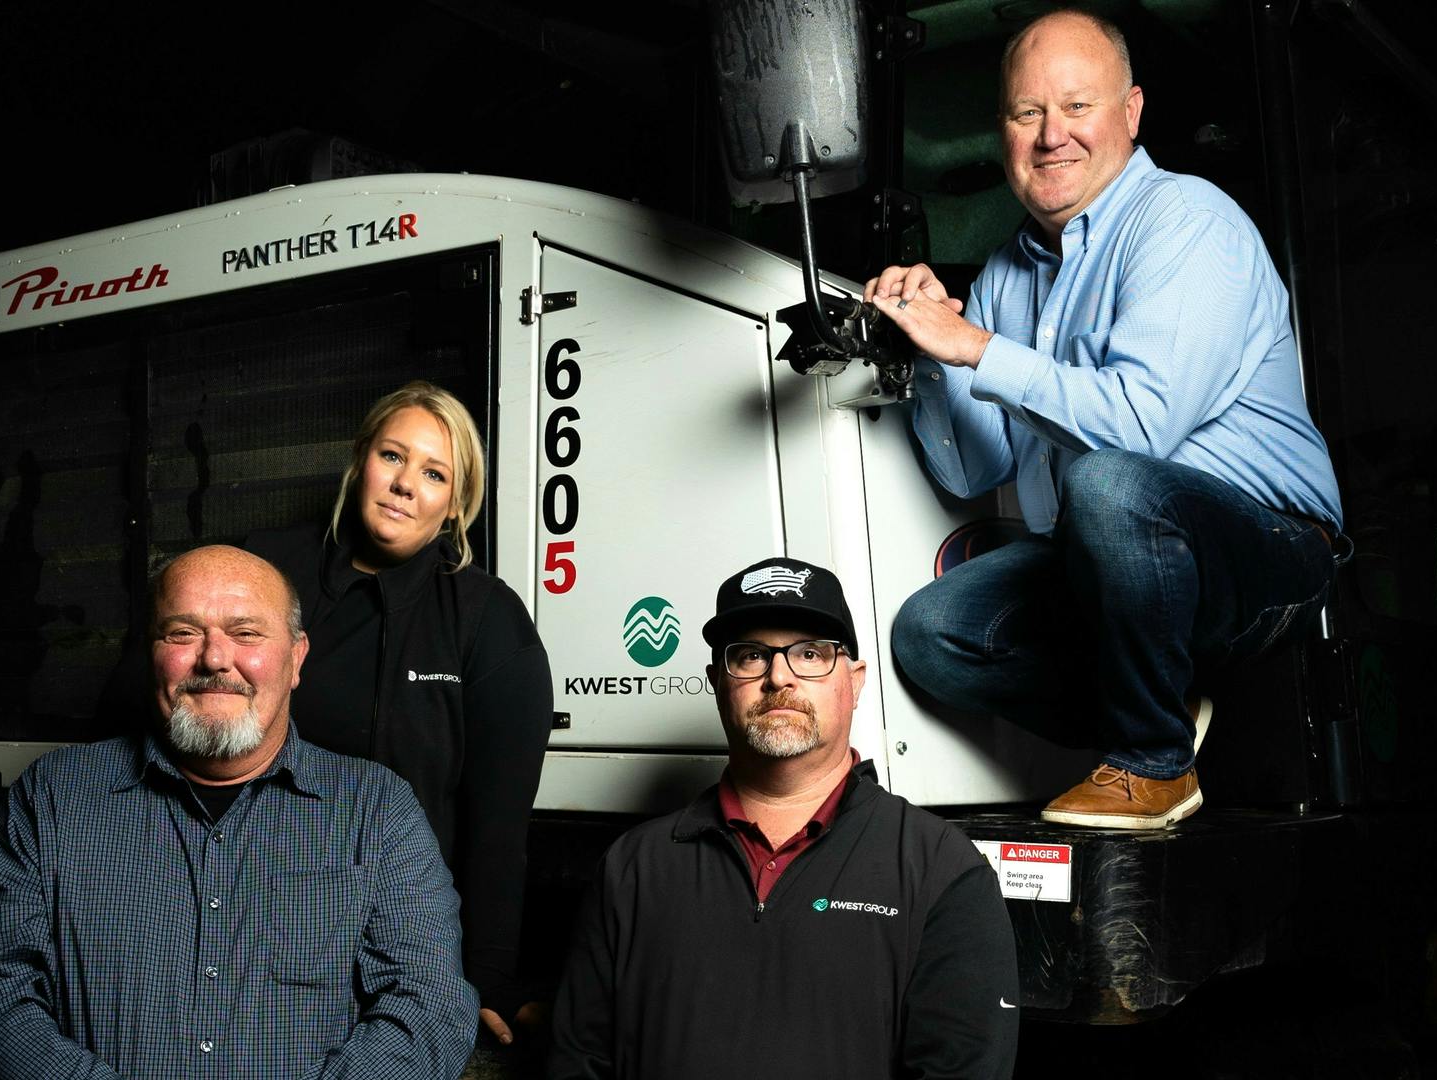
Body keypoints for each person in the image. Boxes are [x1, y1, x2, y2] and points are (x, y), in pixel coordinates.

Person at [865, 9, 1344, 829]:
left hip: (1267, 551)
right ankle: (1154, 706)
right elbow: (971, 471)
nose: (1052, 135)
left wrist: (976, 346)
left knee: (1110, 482)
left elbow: (1139, 428)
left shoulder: (1188, 221)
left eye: (1077, 107)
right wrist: (932, 350)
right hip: (1109, 566)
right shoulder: (1005, 275)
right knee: (933, 632)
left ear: (1130, 113)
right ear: (1005, 133)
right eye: (1027, 114)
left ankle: (1154, 765)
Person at [0, 545, 477, 1079]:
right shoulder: (53, 798)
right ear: (150, 654)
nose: (214, 658)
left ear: (296, 658)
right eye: (183, 632)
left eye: (246, 632)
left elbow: (430, 1006)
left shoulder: (378, 811)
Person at [549, 557, 1020, 1080]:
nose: (779, 677)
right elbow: (578, 1061)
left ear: (855, 681)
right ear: (716, 682)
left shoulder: (940, 870)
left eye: (811, 654)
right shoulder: (634, 867)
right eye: (751, 656)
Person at [248, 380, 553, 1045]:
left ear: (454, 506)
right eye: (393, 456)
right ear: (360, 464)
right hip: (249, 922)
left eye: (434, 472)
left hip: (403, 943)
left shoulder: (487, 620)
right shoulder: (269, 576)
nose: (405, 483)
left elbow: (498, 825)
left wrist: (484, 978)